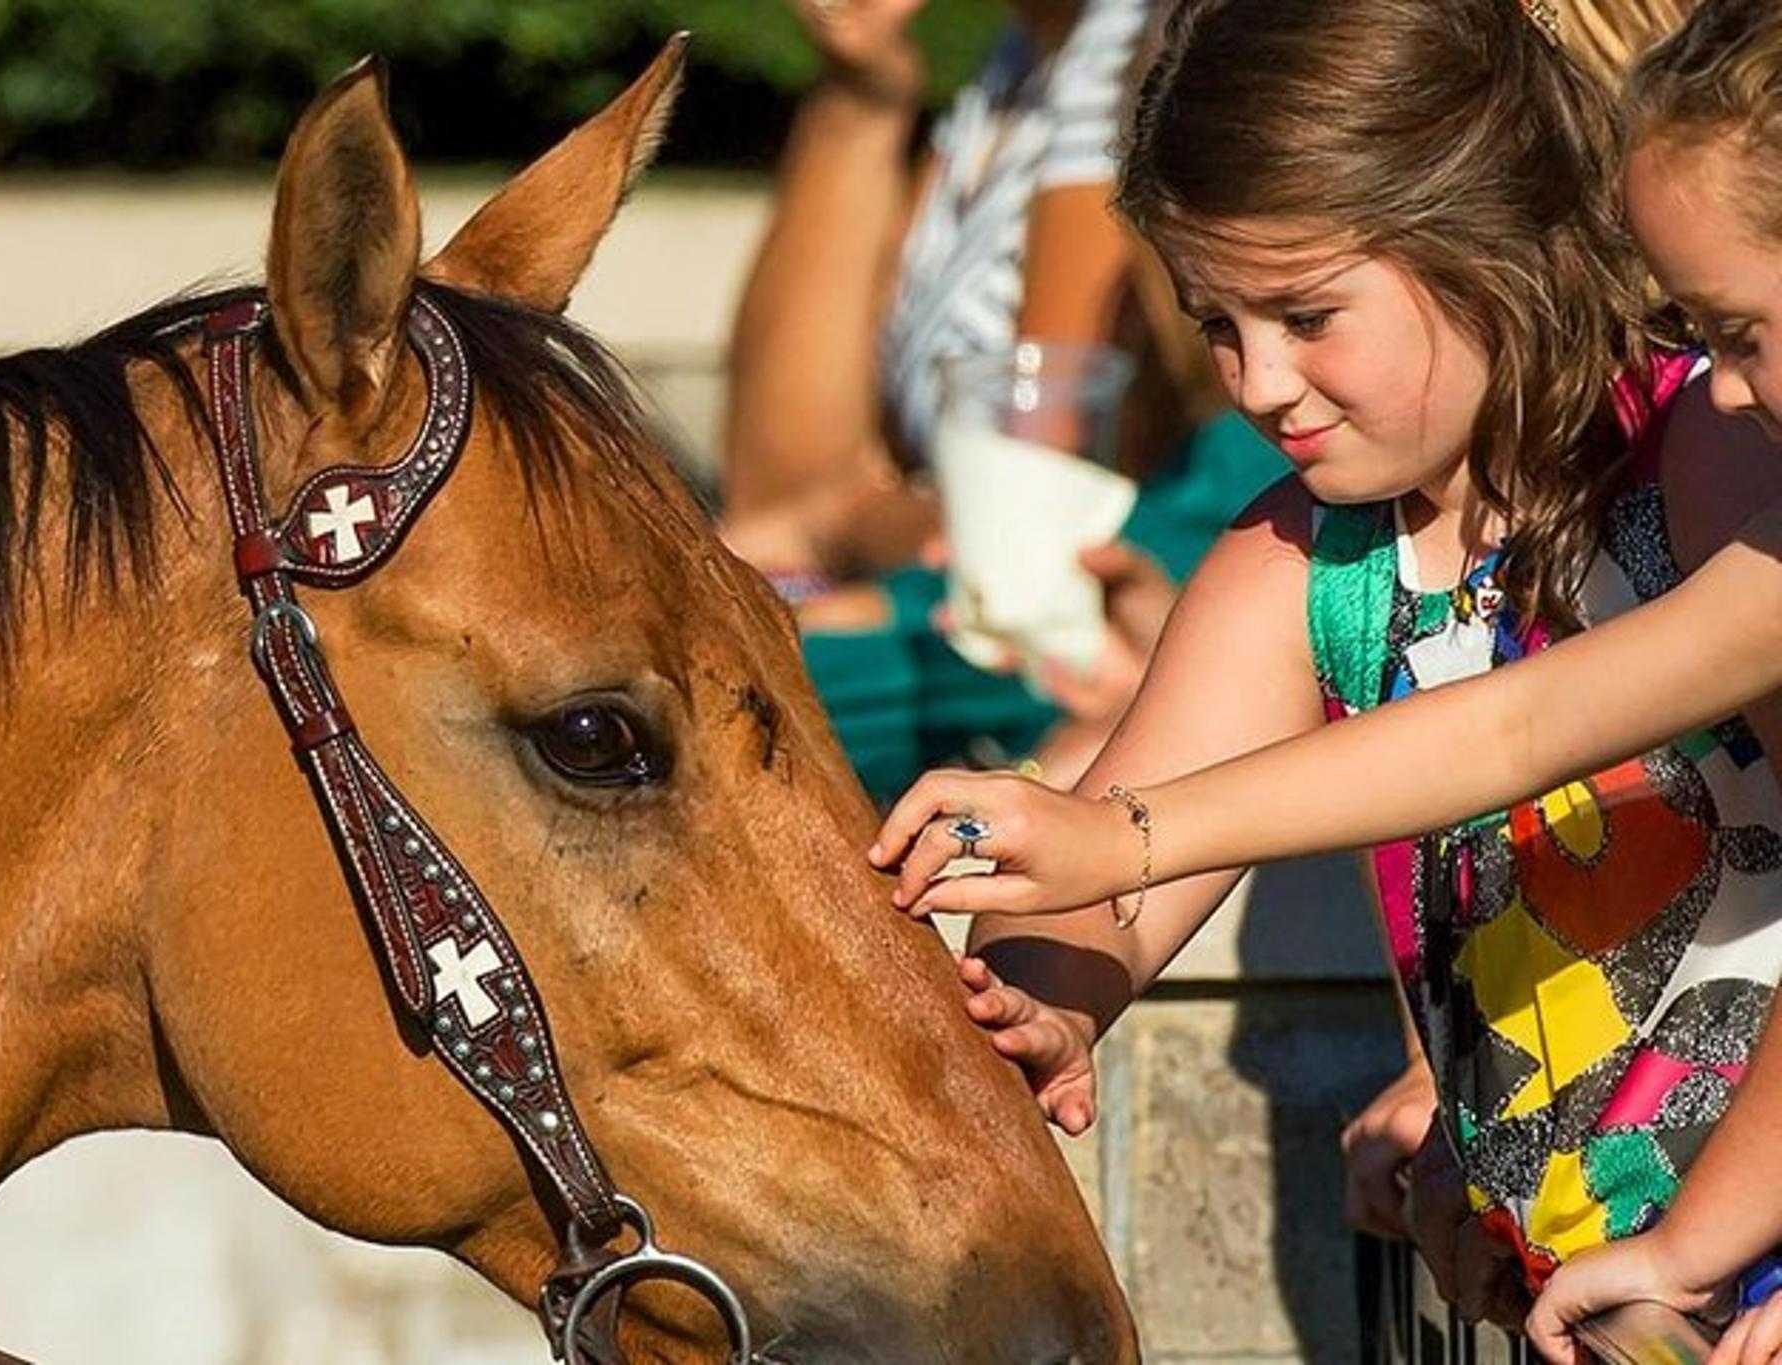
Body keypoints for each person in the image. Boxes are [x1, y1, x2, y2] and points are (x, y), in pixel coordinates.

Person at [866, 0, 1782, 1340]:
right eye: (1216, 324)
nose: (1257, 380)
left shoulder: (1707, 451)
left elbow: (1506, 729)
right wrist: (1042, 997)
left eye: (1306, 314)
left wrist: (1726, 1239)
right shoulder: (1306, 563)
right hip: (1601, 1299)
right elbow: (1108, 879)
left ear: (1483, 237)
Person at [718, 0, 1286, 801]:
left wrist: (839, 519)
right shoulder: (1018, 67)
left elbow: (1023, 520)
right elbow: (778, 487)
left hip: (1098, 622)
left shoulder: (1133, 49)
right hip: (1009, 622)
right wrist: (860, 92)